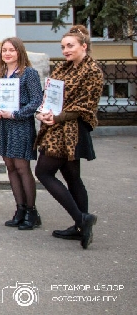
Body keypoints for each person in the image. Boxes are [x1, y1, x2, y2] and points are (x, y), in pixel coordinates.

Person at [34, 26, 103, 249]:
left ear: (84, 46)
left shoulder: (92, 70)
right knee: (72, 176)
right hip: (57, 126)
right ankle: (80, 226)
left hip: (71, 130)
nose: (65, 50)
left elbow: (86, 106)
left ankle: (82, 219)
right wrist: (44, 111)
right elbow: (50, 94)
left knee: (44, 172)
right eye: (63, 47)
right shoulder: (63, 68)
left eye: (70, 46)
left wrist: (58, 116)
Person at [0, 37, 43, 230]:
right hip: (4, 125)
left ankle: (31, 211)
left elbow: (36, 100)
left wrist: (16, 113)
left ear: (19, 52)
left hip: (20, 124)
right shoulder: (2, 73)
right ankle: (20, 209)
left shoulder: (28, 73)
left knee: (22, 167)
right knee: (10, 167)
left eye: (11, 50)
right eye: (4, 50)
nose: (7, 53)